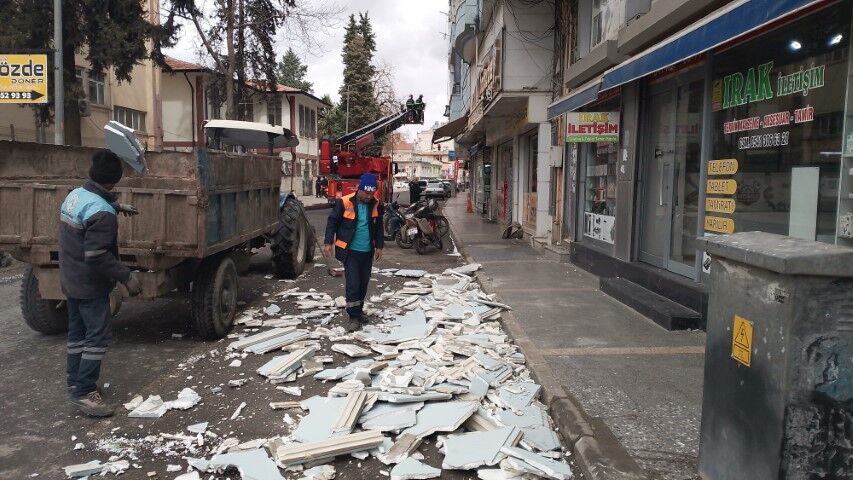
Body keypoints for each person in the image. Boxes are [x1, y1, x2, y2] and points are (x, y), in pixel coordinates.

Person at [59, 150, 142, 417]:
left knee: (77, 333)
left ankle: (74, 380)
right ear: (114, 181)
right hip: (90, 283)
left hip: (70, 277)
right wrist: (126, 276)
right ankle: (84, 391)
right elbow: (97, 256)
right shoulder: (102, 214)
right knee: (96, 336)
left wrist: (117, 206)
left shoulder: (74, 195)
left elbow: (88, 212)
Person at [323, 173, 384, 332]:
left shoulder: (375, 204)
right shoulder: (344, 202)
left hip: (367, 251)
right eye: (366, 193)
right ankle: (353, 317)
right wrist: (328, 242)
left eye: (372, 194)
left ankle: (358, 310)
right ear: (360, 189)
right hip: (349, 251)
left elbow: (378, 227)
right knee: (353, 284)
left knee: (363, 284)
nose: (368, 197)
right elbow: (332, 222)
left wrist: (379, 246)